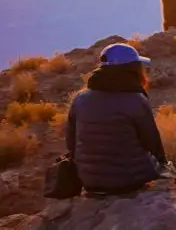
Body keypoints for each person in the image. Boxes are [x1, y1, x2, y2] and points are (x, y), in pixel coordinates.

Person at [66, 43, 169, 195]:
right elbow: (152, 142)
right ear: (131, 70)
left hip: (89, 181)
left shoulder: (80, 99)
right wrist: (163, 164)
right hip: (130, 180)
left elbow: (71, 143)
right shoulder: (136, 100)